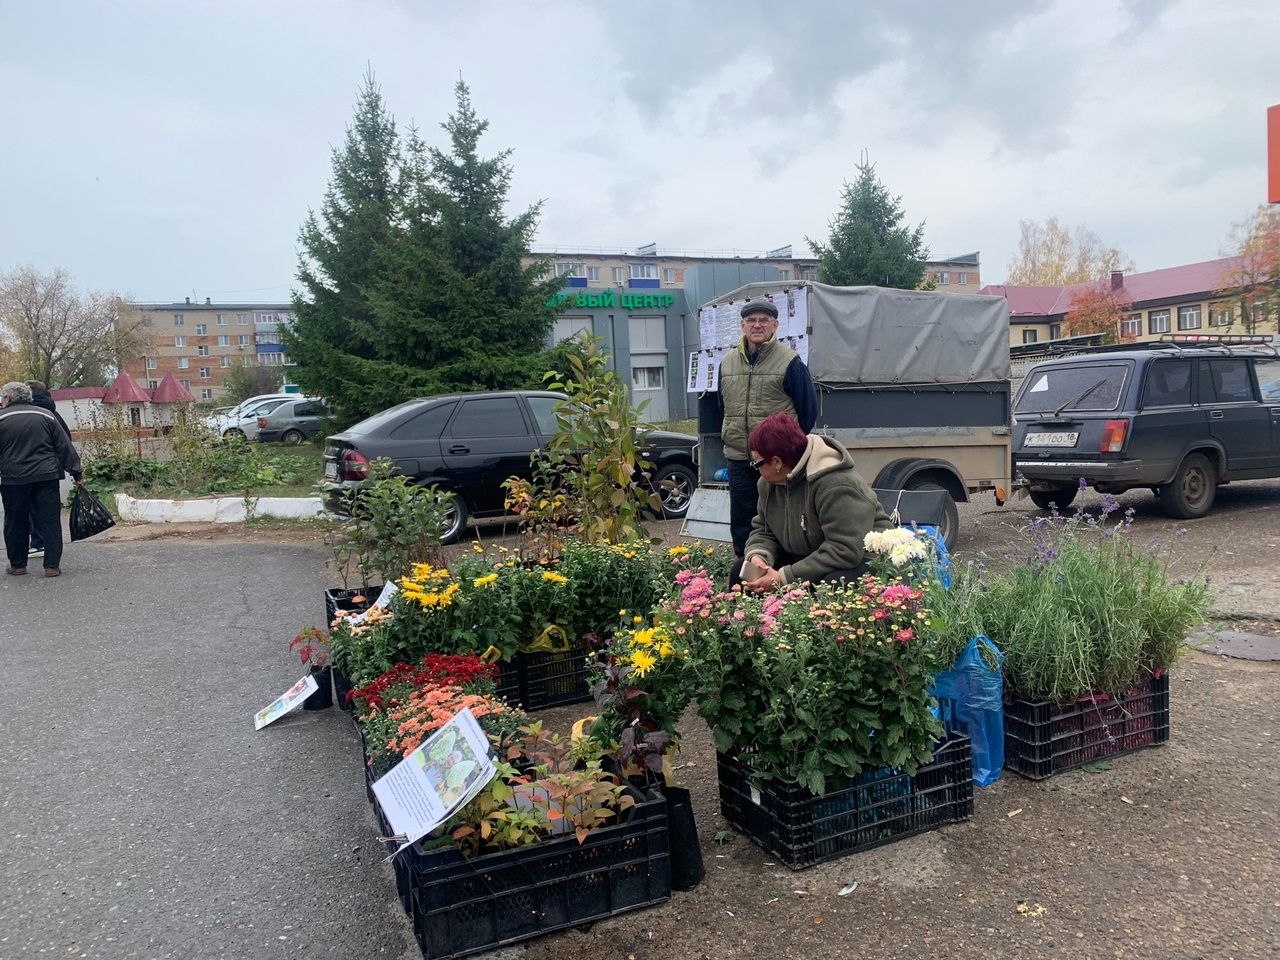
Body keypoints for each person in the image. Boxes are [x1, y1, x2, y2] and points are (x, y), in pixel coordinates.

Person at [717, 298, 817, 583]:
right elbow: (722, 407)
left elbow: (808, 412)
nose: (757, 325)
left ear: (775, 326)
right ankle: (744, 578)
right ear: (742, 325)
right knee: (742, 521)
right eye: (751, 320)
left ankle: (780, 579)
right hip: (739, 456)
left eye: (764, 320)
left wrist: (787, 450)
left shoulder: (790, 362)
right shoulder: (727, 362)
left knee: (781, 518)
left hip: (777, 460)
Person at [740, 412, 892, 592]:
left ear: (777, 462)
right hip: (811, 556)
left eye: (757, 464)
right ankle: (755, 620)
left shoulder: (837, 484)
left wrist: (783, 577)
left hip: (866, 560)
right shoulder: (767, 485)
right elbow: (764, 531)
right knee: (741, 575)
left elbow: (844, 549)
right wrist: (759, 557)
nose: (756, 470)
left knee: (833, 584)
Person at [0, 381, 83, 577]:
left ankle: (18, 565)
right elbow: (64, 446)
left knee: (15, 521)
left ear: (9, 398)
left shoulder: (2, 418)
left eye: (3, 397)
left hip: (14, 479)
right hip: (46, 476)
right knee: (50, 520)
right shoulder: (46, 415)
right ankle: (52, 566)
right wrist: (76, 472)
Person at [25, 380, 72, 556]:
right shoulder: (53, 413)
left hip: (28, 470)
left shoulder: (32, 414)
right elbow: (65, 441)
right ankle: (47, 547)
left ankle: (38, 542)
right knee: (48, 511)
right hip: (51, 469)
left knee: (33, 509)